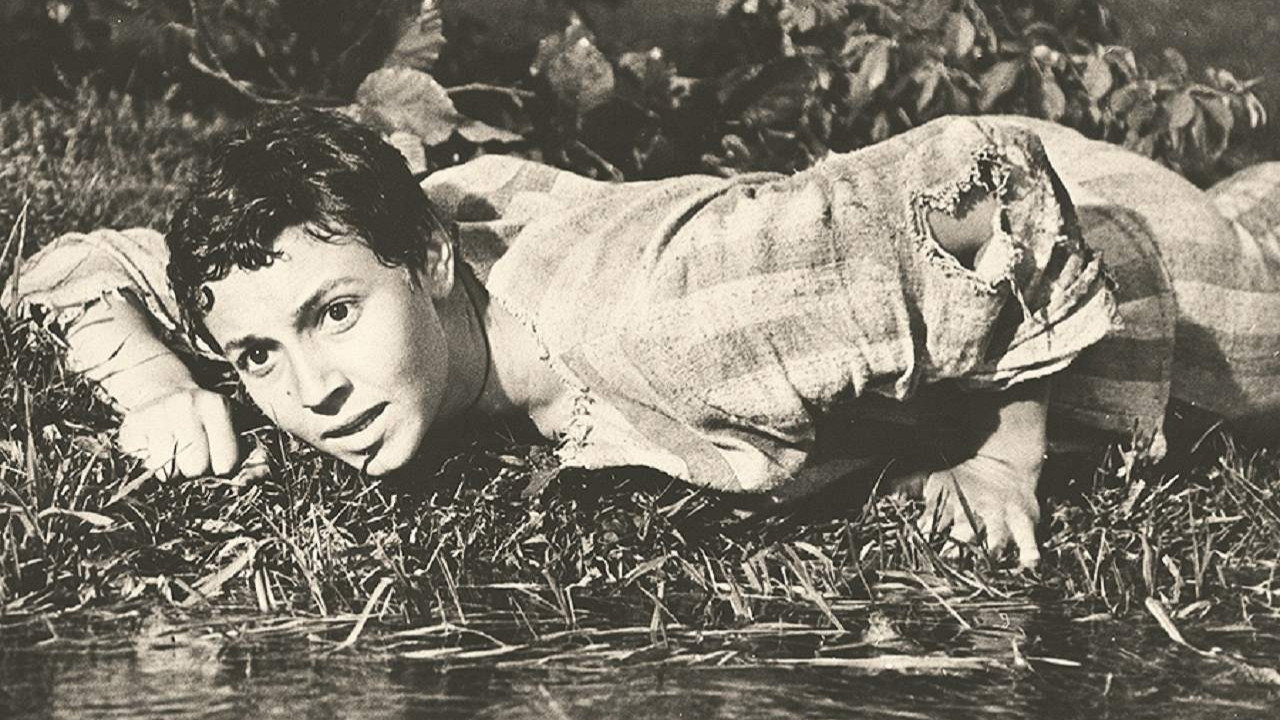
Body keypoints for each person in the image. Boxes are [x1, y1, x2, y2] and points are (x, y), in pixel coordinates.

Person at [4, 107, 1277, 570]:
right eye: (258, 358)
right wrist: (154, 382)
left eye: (334, 316)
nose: (311, 391)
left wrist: (1001, 452)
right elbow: (68, 269)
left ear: (431, 261)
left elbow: (992, 184)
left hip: (1161, 293)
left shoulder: (656, 322)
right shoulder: (357, 235)